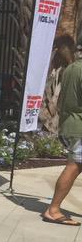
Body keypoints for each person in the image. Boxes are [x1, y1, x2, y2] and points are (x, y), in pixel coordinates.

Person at [43, 46, 82, 226]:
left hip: (69, 122)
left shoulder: (72, 68)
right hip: (78, 126)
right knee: (74, 166)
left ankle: (54, 208)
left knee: (75, 165)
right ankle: (53, 209)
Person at [40, 35, 78, 134]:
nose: (58, 52)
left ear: (65, 48)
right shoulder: (59, 69)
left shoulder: (73, 68)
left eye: (60, 48)